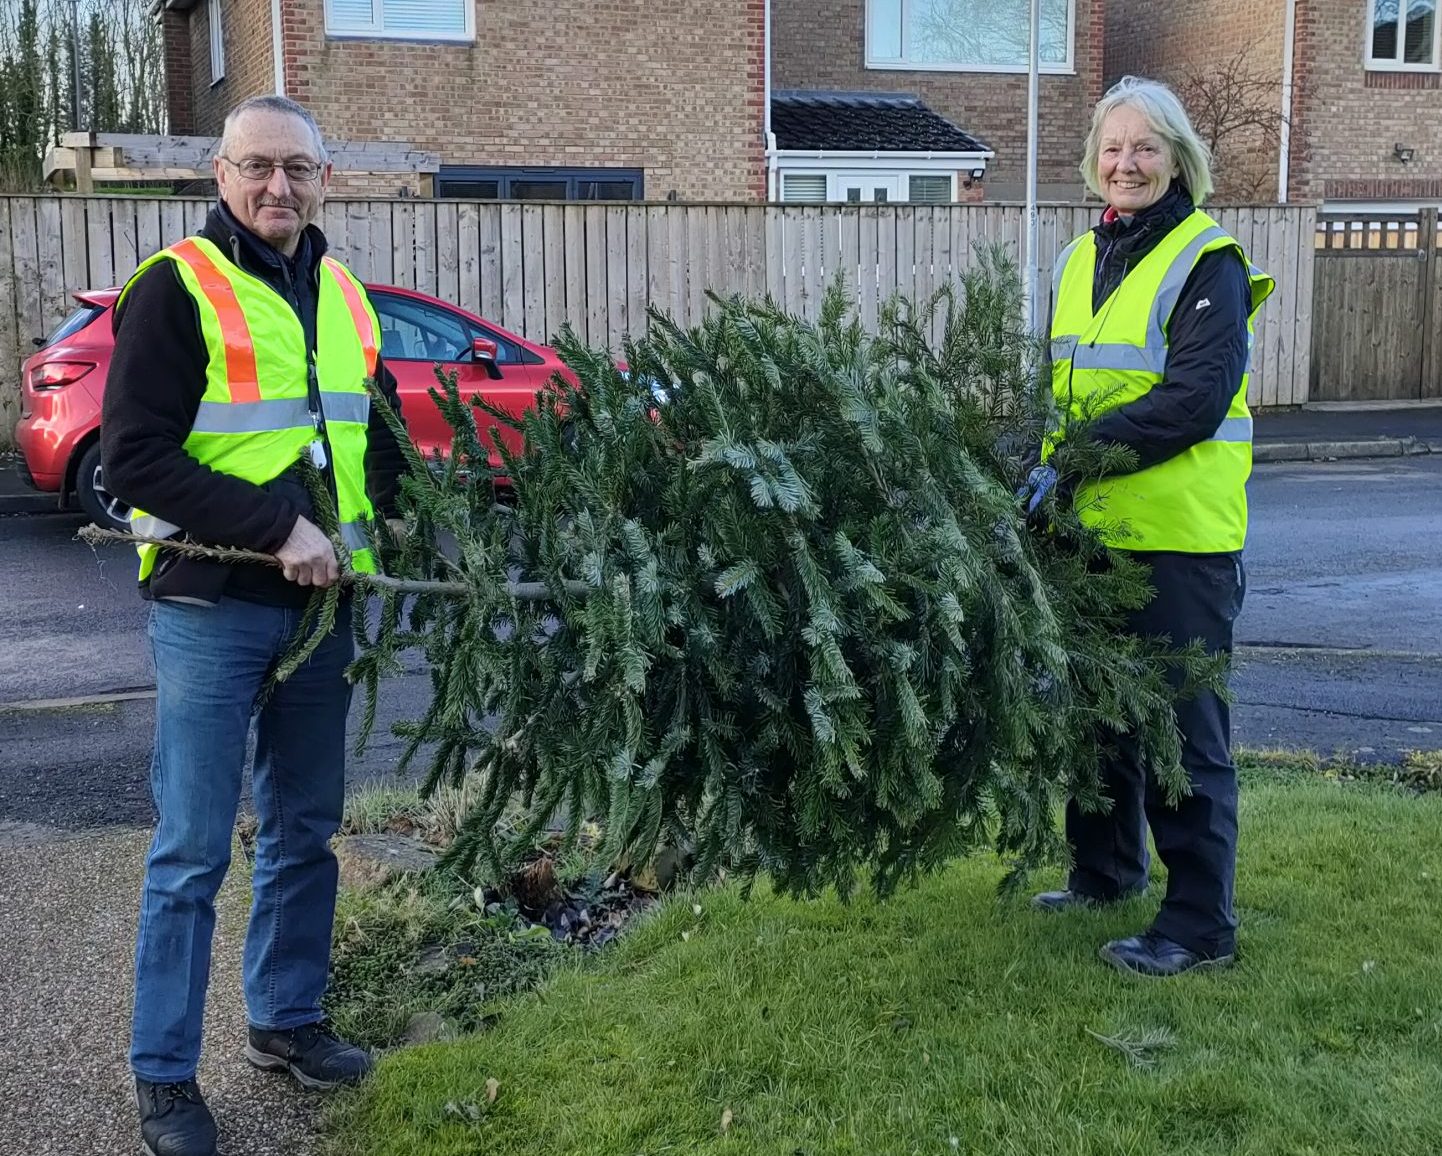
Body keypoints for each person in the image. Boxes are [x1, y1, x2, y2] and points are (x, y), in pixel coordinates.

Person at [101, 94, 409, 1156]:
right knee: (190, 848)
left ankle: (285, 1021)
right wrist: (278, 525)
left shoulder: (345, 297)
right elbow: (130, 460)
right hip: (211, 604)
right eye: (257, 168)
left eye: (299, 169)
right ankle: (164, 1075)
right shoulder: (175, 289)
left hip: (321, 616)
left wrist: (404, 527)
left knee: (302, 831)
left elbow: (380, 445)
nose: (279, 187)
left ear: (327, 180)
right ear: (221, 178)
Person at [1022, 76, 1275, 977]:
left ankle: (1200, 925)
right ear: (1094, 159)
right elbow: (1059, 391)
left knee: (1181, 732)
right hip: (1090, 536)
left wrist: (1076, 455)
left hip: (1179, 542)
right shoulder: (1077, 261)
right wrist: (1039, 470)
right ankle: (1104, 871)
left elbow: (1193, 403)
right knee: (1099, 718)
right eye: (1113, 147)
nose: (1125, 163)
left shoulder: (1209, 262)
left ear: (1179, 161)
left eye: (1145, 148)